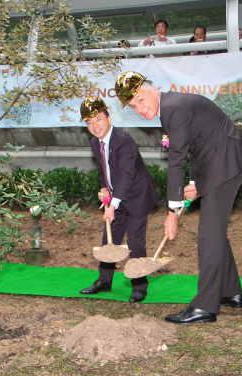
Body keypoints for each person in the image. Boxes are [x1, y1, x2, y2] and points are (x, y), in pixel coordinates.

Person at [115, 72, 242, 324]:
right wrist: (193, 182)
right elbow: (195, 144)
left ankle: (205, 306)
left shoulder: (173, 108)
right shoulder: (169, 107)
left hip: (227, 163)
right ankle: (231, 292)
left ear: (152, 90)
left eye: (140, 101)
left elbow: (176, 159)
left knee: (208, 235)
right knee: (214, 231)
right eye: (133, 106)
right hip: (217, 161)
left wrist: (172, 211)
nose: (139, 109)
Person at [79, 96, 159, 304]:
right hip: (117, 196)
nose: (94, 125)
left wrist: (113, 205)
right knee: (109, 240)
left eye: (98, 119)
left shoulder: (124, 141)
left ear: (108, 116)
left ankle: (139, 287)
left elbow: (125, 175)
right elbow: (104, 169)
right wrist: (105, 188)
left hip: (138, 196)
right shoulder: (95, 143)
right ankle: (105, 281)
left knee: (134, 243)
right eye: (89, 122)